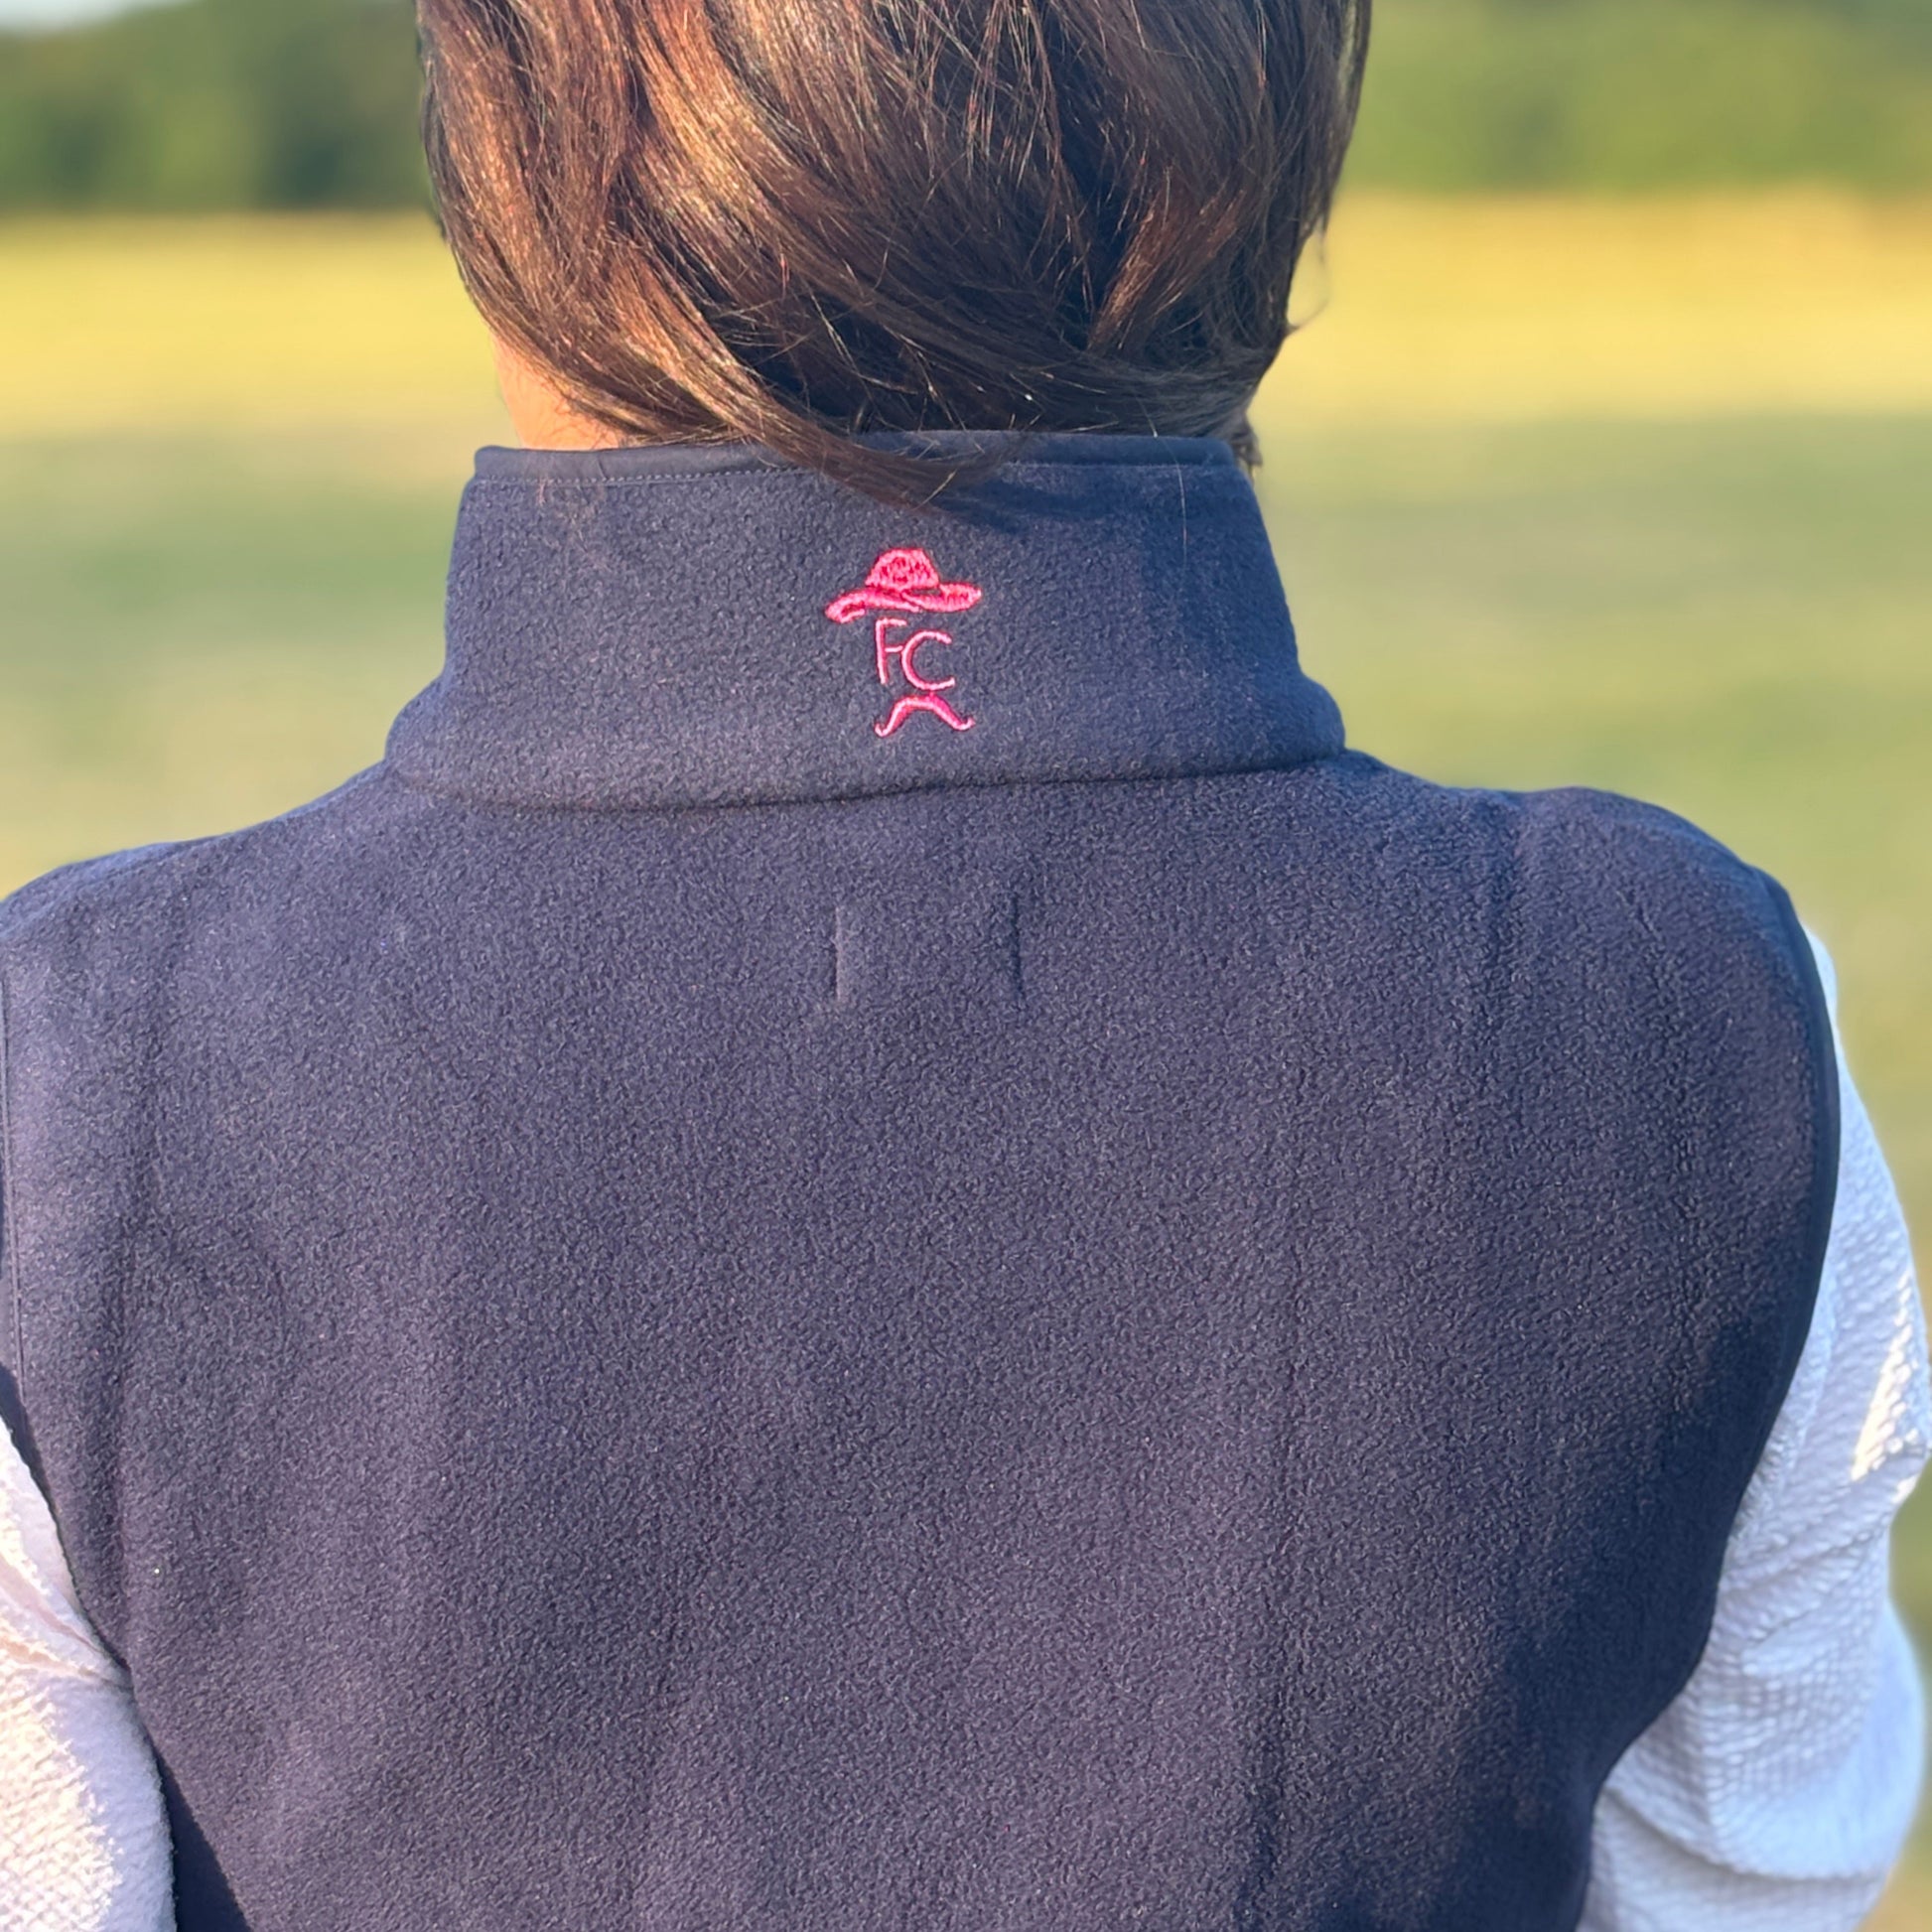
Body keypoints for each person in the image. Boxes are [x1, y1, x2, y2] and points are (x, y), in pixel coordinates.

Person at [1, 1, 1926, 1926]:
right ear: (1267, 128)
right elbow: (1747, 1875)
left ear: (504, 158)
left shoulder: (81, 1071)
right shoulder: (1685, 1026)